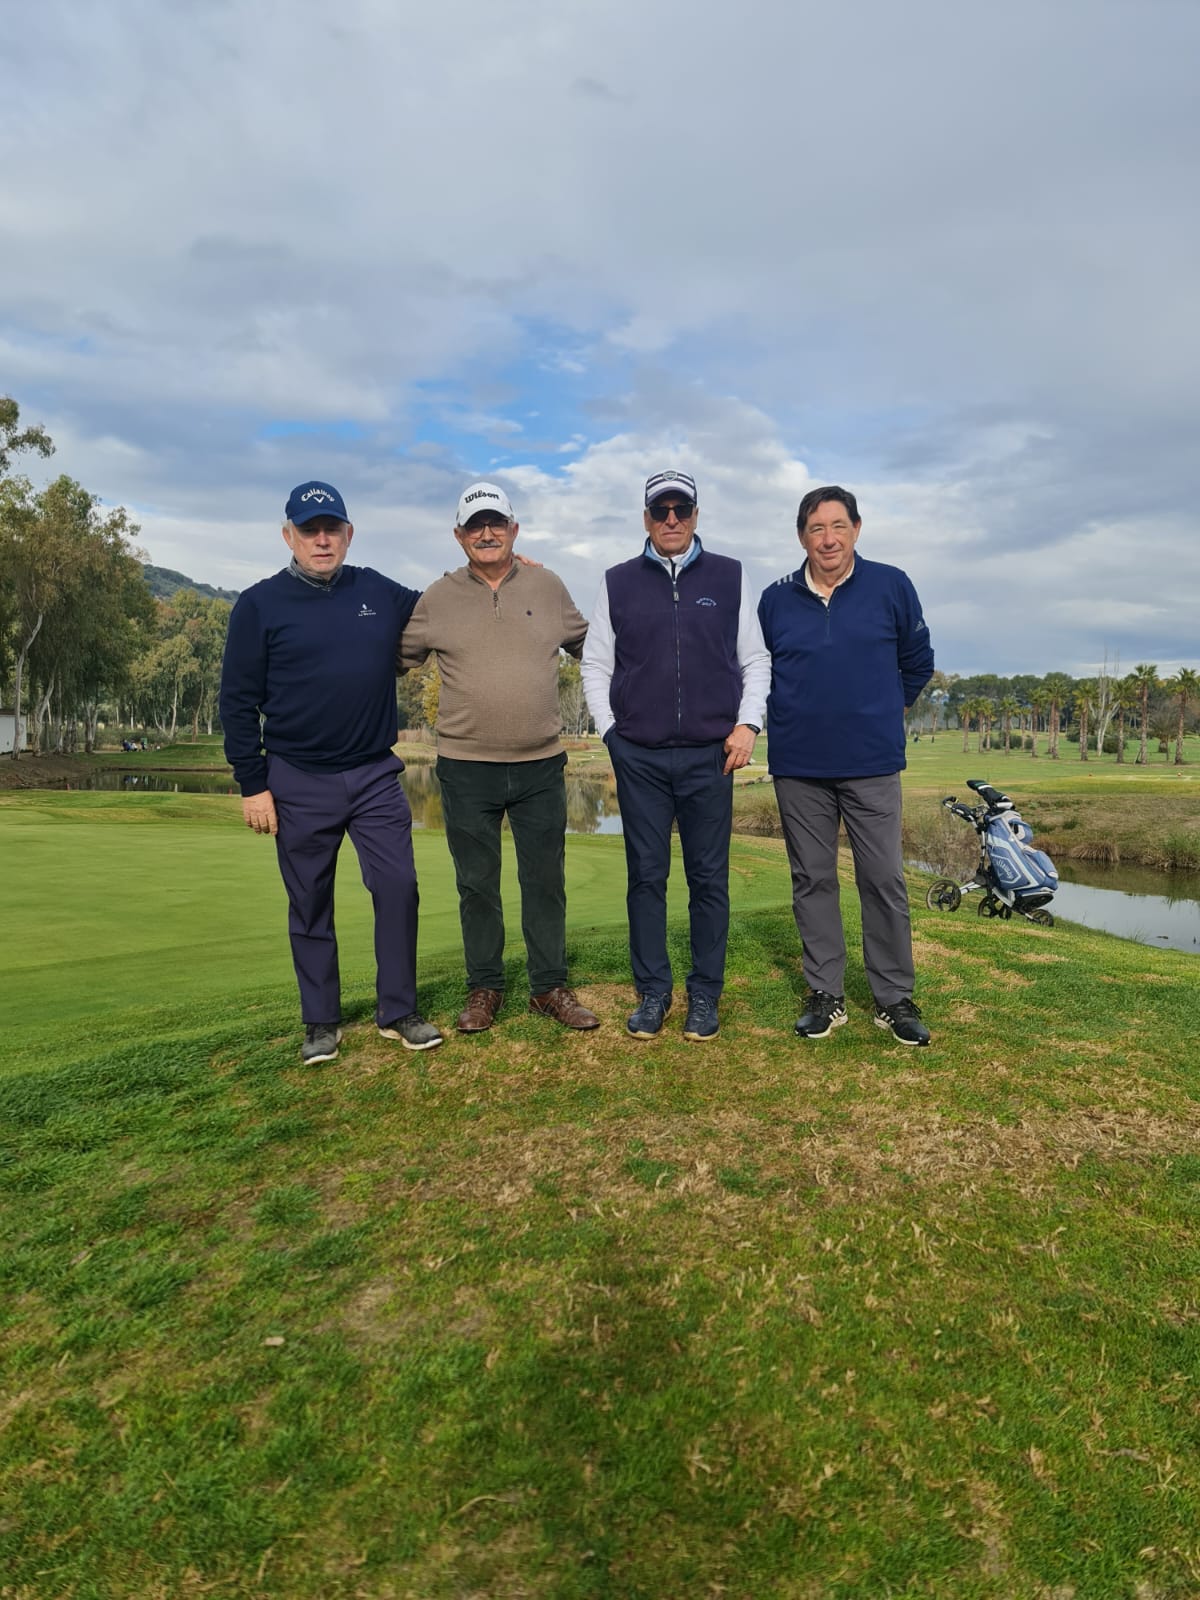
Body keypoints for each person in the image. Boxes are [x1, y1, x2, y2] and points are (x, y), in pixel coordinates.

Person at [219, 480, 443, 1065]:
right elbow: (237, 702)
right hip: (296, 778)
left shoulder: (376, 589)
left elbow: (443, 604)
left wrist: (501, 573)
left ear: (349, 533)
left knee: (398, 887)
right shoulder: (258, 605)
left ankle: (399, 1010)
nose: (322, 540)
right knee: (310, 901)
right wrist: (252, 785)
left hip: (373, 776)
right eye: (310, 530)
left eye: (332, 529)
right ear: (288, 536)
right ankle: (321, 1022)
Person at [398, 482, 599, 1034]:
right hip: (466, 768)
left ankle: (549, 988)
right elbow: (393, 658)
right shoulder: (437, 598)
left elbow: (595, 647)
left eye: (496, 523)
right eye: (475, 525)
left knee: (545, 880)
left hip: (541, 764)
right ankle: (484, 988)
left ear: (514, 529)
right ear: (458, 535)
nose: (486, 533)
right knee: (476, 885)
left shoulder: (547, 585)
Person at [581, 470, 770, 1041]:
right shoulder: (617, 581)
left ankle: (705, 994)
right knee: (646, 877)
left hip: (711, 755)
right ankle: (653, 992)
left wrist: (747, 725)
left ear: (695, 515)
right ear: (645, 518)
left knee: (708, 879)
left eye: (680, 510)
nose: (671, 520)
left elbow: (754, 659)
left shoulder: (729, 576)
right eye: (660, 511)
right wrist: (611, 734)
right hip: (639, 755)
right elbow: (596, 665)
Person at [757, 485, 935, 1046]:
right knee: (812, 879)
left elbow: (917, 663)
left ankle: (894, 998)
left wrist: (882, 710)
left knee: (882, 878)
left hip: (872, 763)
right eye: (816, 528)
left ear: (857, 529)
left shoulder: (891, 585)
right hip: (799, 765)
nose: (828, 538)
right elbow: (757, 671)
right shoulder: (775, 599)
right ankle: (825, 994)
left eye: (838, 526)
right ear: (801, 536)